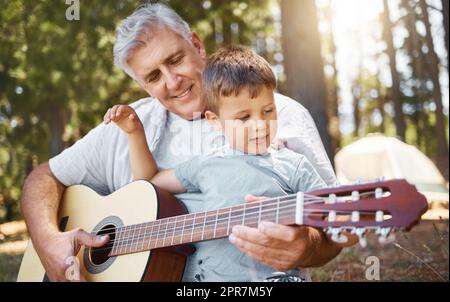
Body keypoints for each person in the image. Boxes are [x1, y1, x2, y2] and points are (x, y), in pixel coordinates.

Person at [21, 3, 342, 282]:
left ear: (197, 45)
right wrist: (48, 242)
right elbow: (43, 178)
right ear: (142, 85)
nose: (172, 82)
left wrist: (309, 246)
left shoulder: (279, 115)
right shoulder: (123, 128)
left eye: (174, 60)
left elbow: (333, 230)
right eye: (153, 77)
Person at [104, 45, 328, 281]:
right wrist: (135, 133)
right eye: (243, 118)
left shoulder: (293, 165)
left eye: (268, 111)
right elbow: (149, 183)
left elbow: (334, 220)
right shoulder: (207, 164)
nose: (260, 125)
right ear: (214, 120)